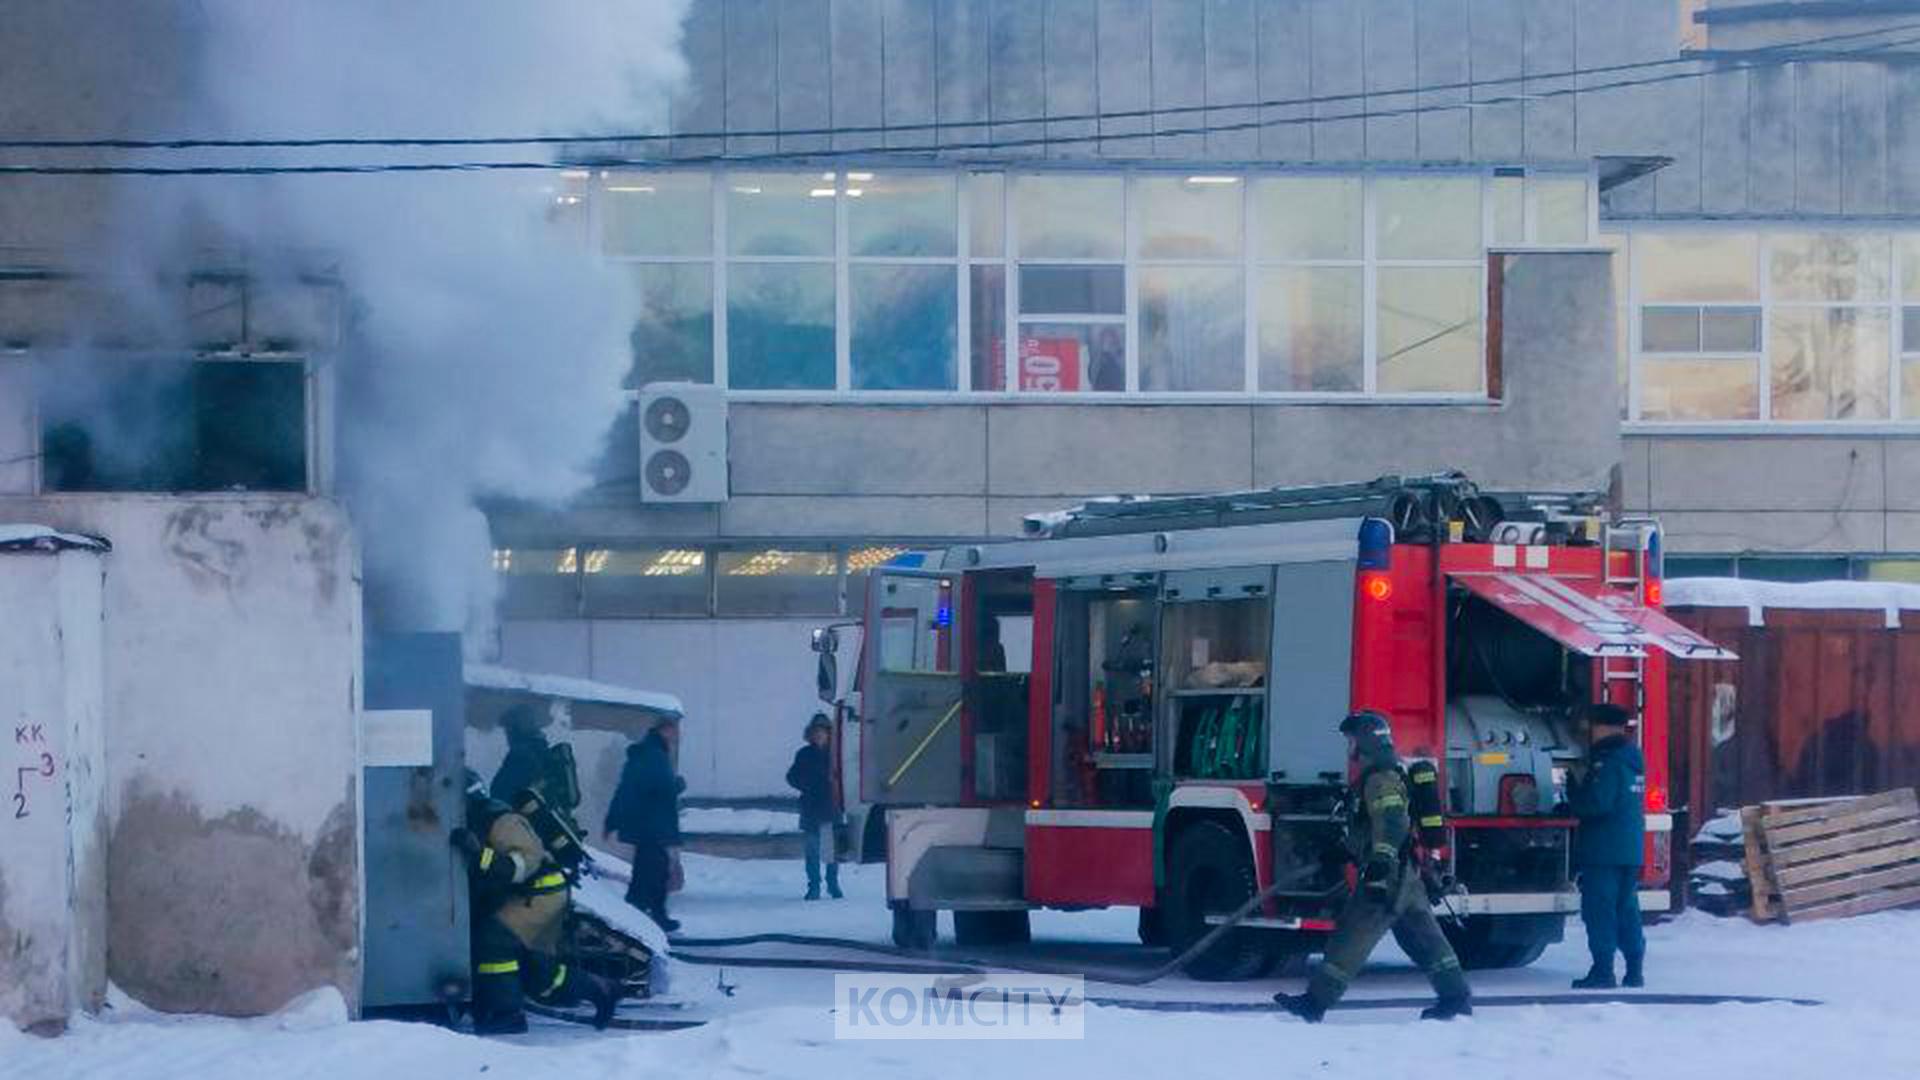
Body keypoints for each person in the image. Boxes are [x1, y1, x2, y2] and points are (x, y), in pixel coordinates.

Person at [1276, 711, 1472, 1023]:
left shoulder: (1379, 779)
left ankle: (1314, 1003)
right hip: (1407, 874)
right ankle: (1456, 998)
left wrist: (1379, 864)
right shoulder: (1388, 773)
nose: (1350, 747)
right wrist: (1342, 852)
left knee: (1352, 935)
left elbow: (1392, 823)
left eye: (1352, 740)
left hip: (1388, 876)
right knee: (1424, 939)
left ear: (1364, 742)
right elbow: (1372, 828)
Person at [452, 771, 620, 1034]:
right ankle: (599, 988)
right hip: (524, 897)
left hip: (541, 894)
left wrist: (478, 854)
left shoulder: (502, 821)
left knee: (493, 941)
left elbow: (521, 866)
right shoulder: (478, 820)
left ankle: (505, 1015)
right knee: (538, 974)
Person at [1567, 703, 1647, 990]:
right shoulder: (1633, 758)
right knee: (1626, 909)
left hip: (1604, 851)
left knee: (1599, 911)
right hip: (1630, 848)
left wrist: (1572, 795)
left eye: (1590, 726)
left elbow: (1598, 804)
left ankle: (1603, 971)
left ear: (1600, 727)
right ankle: (1634, 970)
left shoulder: (1608, 762)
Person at [607, 715, 685, 932]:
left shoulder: (653, 752)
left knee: (647, 872)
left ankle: (643, 913)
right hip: (652, 826)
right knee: (655, 872)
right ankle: (648, 915)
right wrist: (674, 786)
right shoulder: (652, 754)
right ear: (665, 730)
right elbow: (646, 790)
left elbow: (634, 788)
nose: (678, 734)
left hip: (650, 825)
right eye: (675, 729)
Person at [786, 714, 842, 900]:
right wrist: (807, 785)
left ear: (829, 734)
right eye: (816, 732)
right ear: (811, 734)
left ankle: (833, 884)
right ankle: (814, 886)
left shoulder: (837, 755)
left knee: (831, 851)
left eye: (823, 732)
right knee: (811, 851)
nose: (819, 736)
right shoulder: (804, 754)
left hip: (830, 807)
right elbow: (792, 777)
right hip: (810, 807)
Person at [489, 705, 549, 805]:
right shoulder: (542, 752)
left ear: (516, 730)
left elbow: (501, 794)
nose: (507, 735)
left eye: (509, 729)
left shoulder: (521, 756)